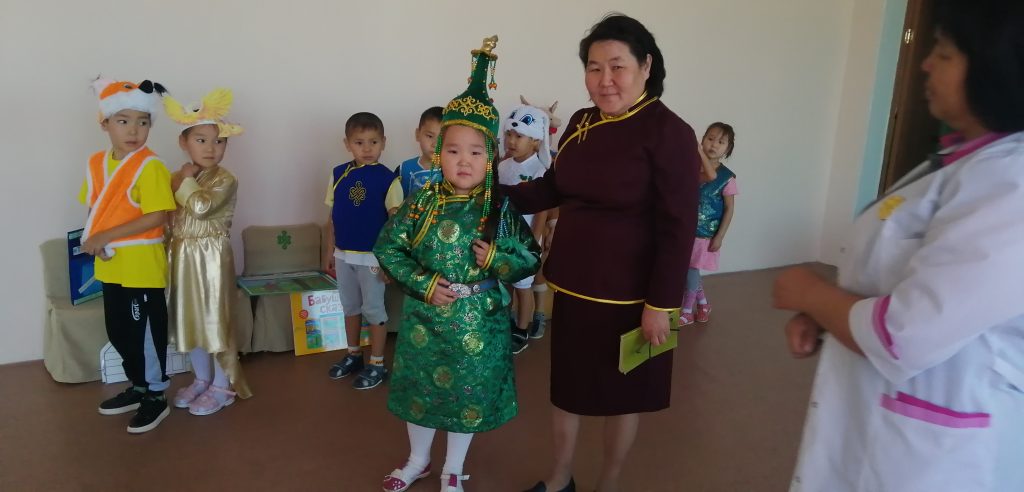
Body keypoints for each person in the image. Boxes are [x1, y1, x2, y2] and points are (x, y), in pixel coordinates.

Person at [773, 1, 1024, 490]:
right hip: (885, 422)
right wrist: (827, 315)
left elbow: (903, 334)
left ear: (994, 67)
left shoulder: (1011, 183)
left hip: (938, 455)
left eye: (943, 53)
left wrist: (809, 292)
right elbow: (910, 282)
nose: (925, 64)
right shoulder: (958, 164)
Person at [502, 14, 701, 492]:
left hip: (635, 298)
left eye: (617, 66)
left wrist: (662, 305)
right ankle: (559, 479)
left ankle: (608, 483)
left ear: (646, 66)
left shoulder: (670, 133)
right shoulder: (581, 121)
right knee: (567, 388)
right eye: (594, 68)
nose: (604, 80)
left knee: (624, 396)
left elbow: (678, 228)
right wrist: (494, 194)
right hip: (574, 285)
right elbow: (554, 186)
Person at [374, 36, 541, 492]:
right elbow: (388, 247)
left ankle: (453, 467)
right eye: (452, 150)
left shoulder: (500, 209)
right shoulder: (421, 202)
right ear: (438, 153)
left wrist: (499, 258)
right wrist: (423, 283)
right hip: (425, 321)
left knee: (467, 396)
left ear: (491, 156)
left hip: (478, 325)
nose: (463, 160)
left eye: (475, 151)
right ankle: (417, 460)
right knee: (422, 395)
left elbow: (531, 256)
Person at [82, 77, 176, 434]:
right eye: (123, 121)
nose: (134, 130)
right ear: (105, 123)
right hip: (110, 263)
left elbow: (156, 216)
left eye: (142, 121)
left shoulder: (151, 166)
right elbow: (94, 209)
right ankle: (137, 386)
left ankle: (156, 394)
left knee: (146, 334)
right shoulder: (95, 163)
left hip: (142, 266)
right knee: (119, 331)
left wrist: (104, 236)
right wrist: (94, 240)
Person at [164, 88, 253, 415]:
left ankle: (222, 384)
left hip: (211, 256)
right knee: (190, 320)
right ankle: (201, 378)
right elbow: (168, 219)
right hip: (182, 256)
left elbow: (201, 207)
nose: (211, 148)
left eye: (219, 141)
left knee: (215, 319)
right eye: (201, 140)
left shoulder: (225, 179)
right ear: (184, 142)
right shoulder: (176, 177)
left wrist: (185, 182)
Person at [323, 112, 404, 389]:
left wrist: (389, 262)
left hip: (372, 258)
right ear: (347, 144)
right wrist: (329, 251)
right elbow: (333, 216)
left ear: (384, 142)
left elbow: (394, 225)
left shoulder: (388, 180)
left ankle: (377, 363)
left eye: (373, 142)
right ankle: (353, 354)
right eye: (359, 142)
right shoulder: (338, 173)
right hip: (343, 255)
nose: (367, 149)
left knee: (373, 309)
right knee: (350, 306)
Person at [497, 103, 553, 354]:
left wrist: (534, 240)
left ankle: (522, 329)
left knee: (523, 286)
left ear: (535, 141)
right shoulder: (503, 167)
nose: (511, 140)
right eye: (509, 134)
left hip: (525, 239)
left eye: (519, 136)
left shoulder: (539, 169)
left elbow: (542, 209)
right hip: (504, 237)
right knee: (506, 282)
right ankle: (506, 323)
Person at [682, 122, 738, 325]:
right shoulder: (691, 167)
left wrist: (720, 236)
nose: (714, 144)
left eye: (721, 142)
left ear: (727, 149)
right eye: (710, 138)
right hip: (685, 230)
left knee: (691, 270)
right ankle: (704, 304)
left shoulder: (727, 178)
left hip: (705, 234)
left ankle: (687, 311)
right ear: (702, 139)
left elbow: (729, 209)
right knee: (689, 270)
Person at [397, 106, 444, 197]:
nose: (435, 144)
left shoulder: (453, 171)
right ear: (418, 134)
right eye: (430, 136)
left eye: (442, 138)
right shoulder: (404, 169)